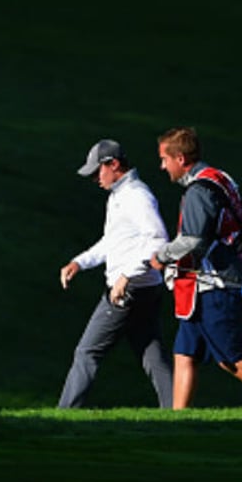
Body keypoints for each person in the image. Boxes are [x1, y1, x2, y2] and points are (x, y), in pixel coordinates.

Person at [148, 127, 242, 409]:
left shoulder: (197, 191)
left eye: (164, 159)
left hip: (215, 284)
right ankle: (176, 422)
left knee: (232, 360)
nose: (162, 166)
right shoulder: (220, 178)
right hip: (208, 285)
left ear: (180, 158)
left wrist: (161, 256)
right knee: (184, 353)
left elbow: (193, 241)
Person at [57, 139, 172, 409]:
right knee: (153, 356)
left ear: (114, 165)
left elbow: (158, 241)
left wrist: (126, 276)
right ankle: (176, 411)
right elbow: (112, 242)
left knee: (87, 352)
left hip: (128, 291)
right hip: (145, 289)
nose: (95, 178)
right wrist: (80, 262)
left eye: (98, 171)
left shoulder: (136, 196)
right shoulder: (120, 196)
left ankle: (64, 413)